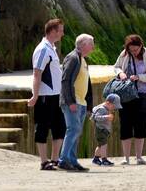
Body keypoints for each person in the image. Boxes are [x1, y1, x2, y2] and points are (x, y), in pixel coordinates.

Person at [26, 19, 66, 170]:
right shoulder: (43, 49)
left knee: (59, 127)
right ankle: (44, 160)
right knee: (42, 128)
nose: (62, 33)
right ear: (53, 31)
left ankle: (55, 159)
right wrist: (35, 95)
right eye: (60, 30)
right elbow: (37, 73)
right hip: (45, 95)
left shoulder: (51, 48)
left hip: (56, 95)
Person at [113, 34, 146, 164]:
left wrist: (140, 77)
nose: (133, 52)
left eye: (135, 50)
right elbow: (116, 66)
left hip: (142, 95)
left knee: (140, 125)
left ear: (141, 46)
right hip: (126, 95)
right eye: (131, 50)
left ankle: (139, 156)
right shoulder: (124, 54)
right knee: (125, 125)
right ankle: (126, 157)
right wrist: (120, 73)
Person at [58, 34, 96, 171]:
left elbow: (87, 84)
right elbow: (65, 80)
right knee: (73, 129)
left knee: (76, 131)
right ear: (83, 44)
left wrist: (88, 105)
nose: (93, 47)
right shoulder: (73, 57)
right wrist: (70, 101)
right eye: (91, 44)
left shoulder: (83, 60)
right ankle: (63, 160)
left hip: (82, 102)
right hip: (73, 102)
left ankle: (72, 161)